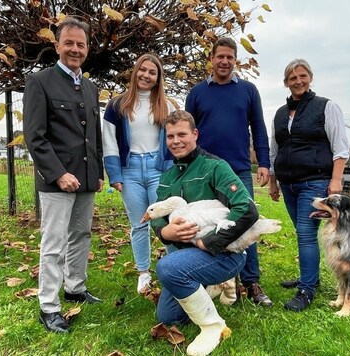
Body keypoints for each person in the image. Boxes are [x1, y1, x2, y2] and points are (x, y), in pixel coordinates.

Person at [152, 110, 259, 356]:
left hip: (224, 253)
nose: (176, 141)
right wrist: (165, 232)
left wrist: (208, 242)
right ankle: (209, 286)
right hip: (188, 255)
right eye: (170, 136)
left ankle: (213, 326)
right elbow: (156, 217)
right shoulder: (168, 177)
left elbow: (247, 209)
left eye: (182, 134)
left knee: (168, 268)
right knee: (168, 316)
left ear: (195, 134)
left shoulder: (215, 167)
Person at [23, 18, 104, 334]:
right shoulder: (39, 82)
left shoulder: (90, 87)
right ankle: (49, 307)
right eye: (68, 43)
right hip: (57, 181)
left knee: (81, 236)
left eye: (80, 44)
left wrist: (96, 173)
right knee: (54, 243)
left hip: (86, 179)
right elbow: (35, 136)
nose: (75, 49)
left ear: (87, 49)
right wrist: (58, 174)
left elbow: (93, 135)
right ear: (56, 45)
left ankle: (75, 287)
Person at [185, 37, 273, 307]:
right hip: (205, 172)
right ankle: (212, 281)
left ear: (236, 61)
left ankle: (251, 282)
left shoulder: (248, 90)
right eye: (220, 56)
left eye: (230, 57)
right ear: (211, 59)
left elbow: (258, 128)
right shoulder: (197, 93)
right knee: (206, 226)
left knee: (246, 223)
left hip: (238, 170)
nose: (224, 61)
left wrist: (265, 163)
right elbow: (188, 133)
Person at [268, 58, 350, 312]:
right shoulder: (280, 114)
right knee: (303, 233)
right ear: (286, 83)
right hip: (289, 184)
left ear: (310, 77)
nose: (298, 81)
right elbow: (274, 150)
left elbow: (340, 147)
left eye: (302, 76)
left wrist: (335, 180)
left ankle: (306, 289)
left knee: (305, 235)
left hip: (314, 181)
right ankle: (309, 276)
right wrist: (273, 182)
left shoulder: (326, 107)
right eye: (292, 78)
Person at [102, 53, 177, 294]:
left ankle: (174, 268)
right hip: (130, 169)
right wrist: (115, 174)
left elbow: (177, 139)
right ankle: (143, 273)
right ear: (135, 72)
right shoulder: (117, 105)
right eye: (142, 70)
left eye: (152, 72)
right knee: (139, 224)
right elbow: (109, 141)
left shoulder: (168, 105)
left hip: (159, 169)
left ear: (158, 78)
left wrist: (175, 168)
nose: (146, 75)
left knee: (166, 220)